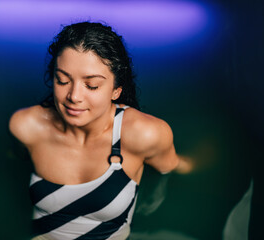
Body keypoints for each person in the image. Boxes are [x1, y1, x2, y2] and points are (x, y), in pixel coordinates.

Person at [9, 22, 179, 240]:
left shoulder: (145, 134)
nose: (74, 96)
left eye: (91, 86)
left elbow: (169, 168)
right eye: (63, 80)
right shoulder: (26, 126)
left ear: (116, 90)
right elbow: (15, 157)